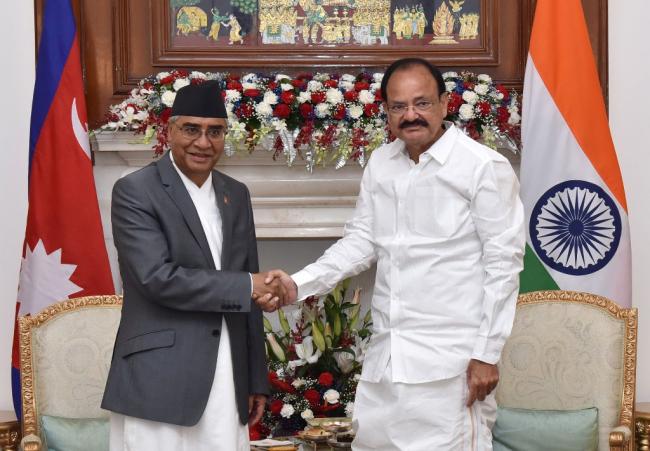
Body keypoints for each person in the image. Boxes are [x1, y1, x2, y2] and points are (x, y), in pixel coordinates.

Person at [267, 58, 525, 450]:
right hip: (385, 364)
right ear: (386, 111)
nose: (411, 115)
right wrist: (297, 284)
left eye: (422, 103)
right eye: (398, 106)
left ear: (445, 103)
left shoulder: (482, 167)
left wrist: (487, 355)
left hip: (451, 370)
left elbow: (503, 266)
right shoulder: (381, 163)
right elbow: (360, 242)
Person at [102, 81, 286, 451]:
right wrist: (248, 285)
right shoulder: (136, 190)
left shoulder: (236, 193)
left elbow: (249, 291)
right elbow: (157, 278)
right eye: (191, 129)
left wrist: (254, 378)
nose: (203, 142)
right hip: (159, 375)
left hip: (227, 372)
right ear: (169, 131)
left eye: (214, 131)